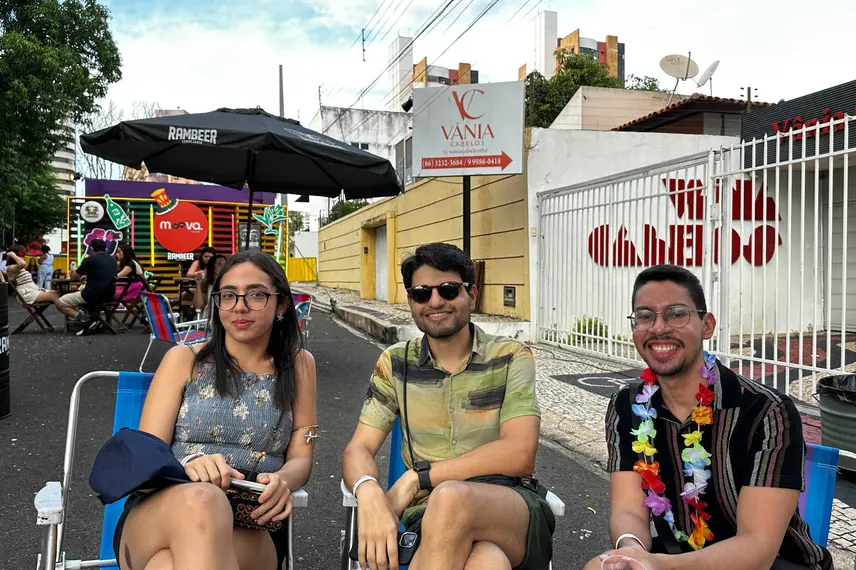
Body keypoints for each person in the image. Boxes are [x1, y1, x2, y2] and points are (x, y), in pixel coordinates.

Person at [584, 265, 832, 570]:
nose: (658, 327)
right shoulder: (627, 406)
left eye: (676, 314)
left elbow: (758, 547)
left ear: (707, 325)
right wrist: (631, 552)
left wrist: (659, 565)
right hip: (674, 556)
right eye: (645, 315)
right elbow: (628, 510)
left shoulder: (764, 410)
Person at [342, 242, 554, 570]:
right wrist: (368, 491)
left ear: (472, 294)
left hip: (511, 506)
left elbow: (519, 453)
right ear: (411, 301)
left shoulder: (510, 356)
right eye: (422, 293)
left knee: (451, 496)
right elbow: (359, 448)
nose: (436, 301)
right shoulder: (397, 363)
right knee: (488, 564)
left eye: (449, 289)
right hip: (429, 520)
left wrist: (419, 478)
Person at [114, 251, 317, 570]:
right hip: (163, 509)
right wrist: (192, 462)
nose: (240, 306)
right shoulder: (184, 360)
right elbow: (146, 453)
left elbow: (302, 456)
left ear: (282, 305)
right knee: (204, 500)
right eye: (228, 295)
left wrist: (283, 481)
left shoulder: (299, 365)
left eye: (256, 295)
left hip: (251, 520)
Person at [58, 238, 118, 324]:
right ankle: (96, 320)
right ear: (105, 249)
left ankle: (84, 318)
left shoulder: (89, 259)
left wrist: (73, 271)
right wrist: (88, 276)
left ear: (92, 248)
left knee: (60, 302)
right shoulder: (113, 260)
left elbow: (74, 277)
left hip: (91, 295)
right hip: (109, 295)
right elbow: (103, 274)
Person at [2, 245, 72, 317]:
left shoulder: (18, 267)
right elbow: (22, 264)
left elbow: (28, 281)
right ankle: (72, 313)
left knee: (59, 292)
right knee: (54, 295)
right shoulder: (11, 268)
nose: (25, 256)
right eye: (23, 255)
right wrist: (13, 255)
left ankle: (70, 314)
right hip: (26, 294)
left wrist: (38, 288)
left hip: (32, 290)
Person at [194, 253, 228, 319]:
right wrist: (198, 284)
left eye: (225, 265)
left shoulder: (229, 286)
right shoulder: (207, 284)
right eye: (219, 264)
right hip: (207, 320)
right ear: (213, 267)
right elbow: (198, 306)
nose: (223, 267)